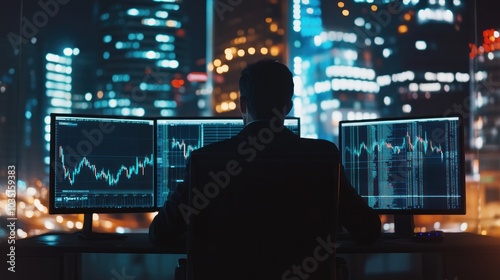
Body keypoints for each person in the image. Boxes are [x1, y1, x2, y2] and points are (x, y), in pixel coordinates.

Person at [149, 58, 381, 261]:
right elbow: (368, 230)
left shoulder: (204, 161)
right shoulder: (323, 156)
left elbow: (160, 234)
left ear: (242, 105)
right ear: (288, 107)